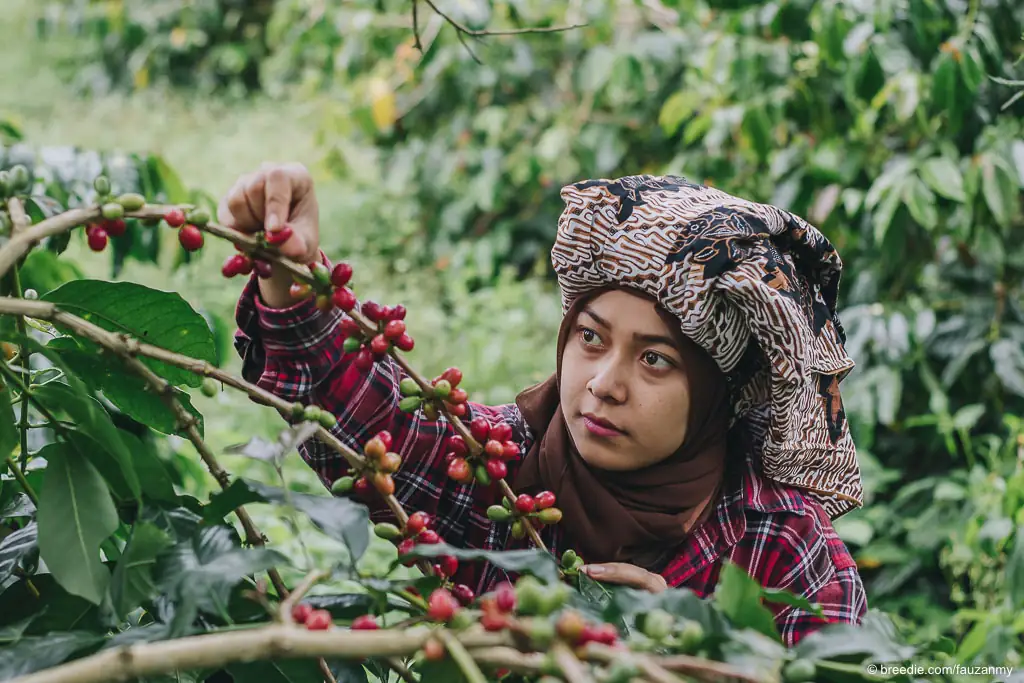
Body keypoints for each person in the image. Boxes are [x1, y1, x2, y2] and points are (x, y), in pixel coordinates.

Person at [221, 163, 867, 646]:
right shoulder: (498, 468)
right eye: (590, 338)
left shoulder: (783, 544)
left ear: (713, 398)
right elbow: (371, 424)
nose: (603, 383)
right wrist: (288, 274)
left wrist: (694, 646)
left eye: (655, 359)